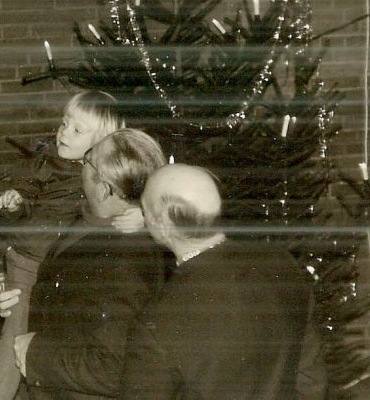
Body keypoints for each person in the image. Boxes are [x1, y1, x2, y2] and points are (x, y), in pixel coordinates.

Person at [118, 164, 315, 400]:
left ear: (164, 225)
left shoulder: (158, 320)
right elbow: (310, 381)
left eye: (144, 209)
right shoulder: (279, 262)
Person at [0, 91, 131, 400]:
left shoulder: (106, 181)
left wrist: (139, 217)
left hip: (53, 265)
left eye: (77, 130)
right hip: (29, 259)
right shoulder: (48, 161)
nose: (64, 132)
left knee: (40, 337)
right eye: (64, 123)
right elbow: (24, 203)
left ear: (102, 141)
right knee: (15, 334)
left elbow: (139, 198)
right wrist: (14, 203)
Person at [4, 128, 167, 400]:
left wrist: (35, 355)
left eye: (89, 159)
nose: (83, 159)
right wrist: (12, 294)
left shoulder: (126, 261)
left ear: (103, 189)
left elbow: (112, 368)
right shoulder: (85, 219)